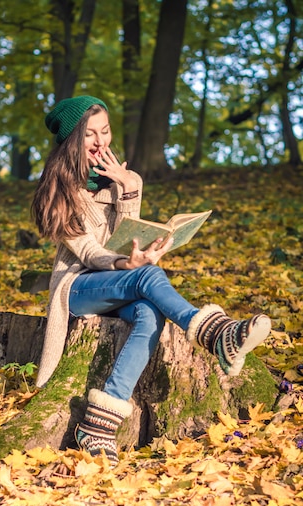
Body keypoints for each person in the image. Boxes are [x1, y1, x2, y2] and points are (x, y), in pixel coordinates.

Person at [31, 95, 271, 466]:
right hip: (78, 287)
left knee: (148, 312)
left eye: (105, 131)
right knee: (148, 277)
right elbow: (91, 253)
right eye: (90, 134)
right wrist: (128, 263)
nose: (100, 142)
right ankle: (214, 333)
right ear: (71, 141)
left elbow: (129, 234)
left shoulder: (125, 180)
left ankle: (98, 426)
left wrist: (127, 191)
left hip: (120, 282)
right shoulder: (61, 191)